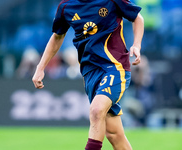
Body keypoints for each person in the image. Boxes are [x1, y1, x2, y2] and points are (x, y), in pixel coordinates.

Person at [32, 0, 144, 149]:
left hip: (115, 66)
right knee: (114, 134)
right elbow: (57, 36)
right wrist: (40, 67)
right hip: (90, 72)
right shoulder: (66, 6)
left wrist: (136, 45)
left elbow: (137, 17)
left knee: (97, 110)